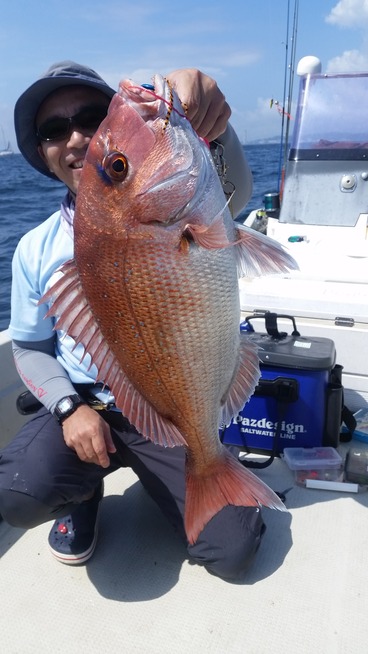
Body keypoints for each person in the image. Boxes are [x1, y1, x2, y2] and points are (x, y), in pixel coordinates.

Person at [0, 60, 264, 581]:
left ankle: (184, 465)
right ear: (43, 153)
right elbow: (29, 347)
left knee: (233, 554)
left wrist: (214, 124)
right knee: (15, 492)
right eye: (54, 129)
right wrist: (69, 407)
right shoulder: (35, 250)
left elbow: (239, 187)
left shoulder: (197, 199)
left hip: (170, 411)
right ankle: (84, 490)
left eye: (93, 118)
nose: (75, 137)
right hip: (85, 410)